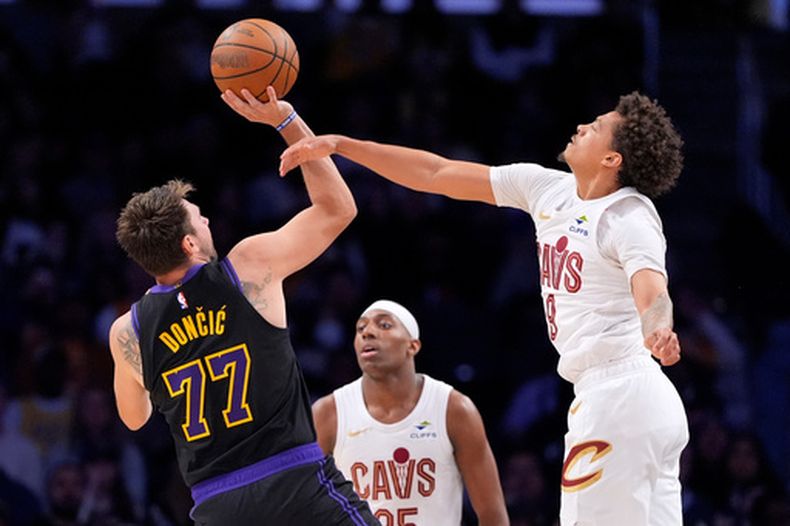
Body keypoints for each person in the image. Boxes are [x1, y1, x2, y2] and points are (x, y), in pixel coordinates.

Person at [281, 91, 689, 525]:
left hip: (620, 394)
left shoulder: (627, 215)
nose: (582, 126)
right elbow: (436, 172)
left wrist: (658, 328)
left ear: (612, 160)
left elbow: (653, 289)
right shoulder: (547, 189)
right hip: (628, 401)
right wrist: (343, 145)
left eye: (597, 127)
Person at [109, 86, 379, 525]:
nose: (208, 218)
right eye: (199, 217)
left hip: (218, 507)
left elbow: (135, 419)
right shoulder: (247, 269)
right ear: (189, 242)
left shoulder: (129, 330)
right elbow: (337, 209)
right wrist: (287, 121)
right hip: (295, 484)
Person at [312, 299, 509, 526]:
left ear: (412, 346)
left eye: (384, 325)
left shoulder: (453, 409)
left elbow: (492, 513)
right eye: (361, 328)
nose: (368, 332)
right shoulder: (329, 413)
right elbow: (302, 506)